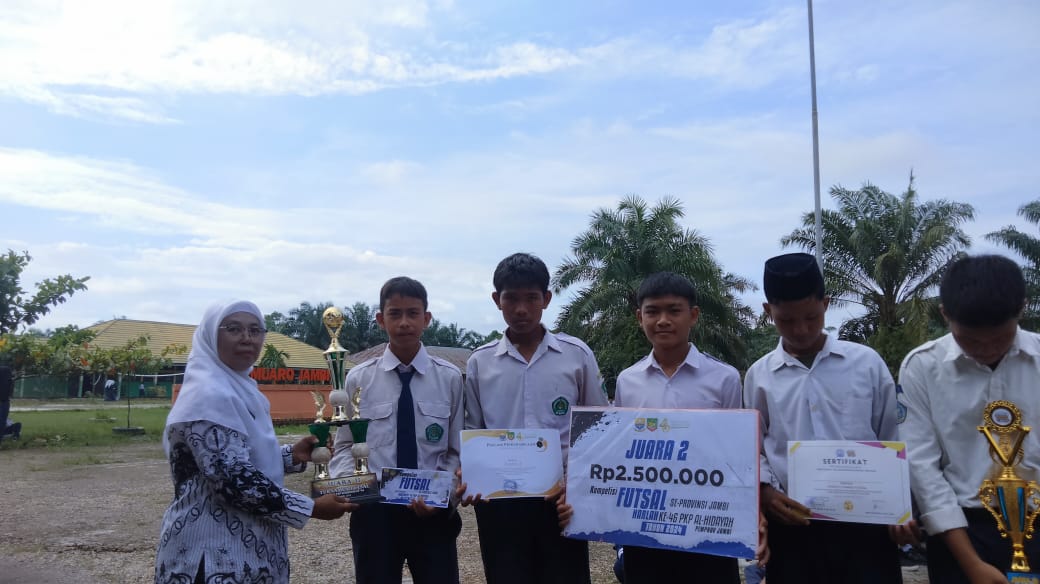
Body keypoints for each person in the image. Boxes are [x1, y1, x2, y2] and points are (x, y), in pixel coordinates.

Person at [155, 300, 352, 584]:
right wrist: (311, 508)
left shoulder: (239, 388)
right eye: (234, 329)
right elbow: (233, 480)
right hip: (212, 555)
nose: (247, 338)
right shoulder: (208, 395)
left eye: (255, 330)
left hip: (249, 548)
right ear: (212, 335)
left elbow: (233, 456)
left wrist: (290, 456)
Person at [743, 252, 904, 584]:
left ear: (826, 303)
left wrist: (900, 503)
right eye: (786, 320)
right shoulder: (760, 376)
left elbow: (894, 434)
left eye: (811, 317)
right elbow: (752, 447)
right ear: (767, 311)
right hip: (792, 526)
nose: (801, 329)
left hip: (867, 524)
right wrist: (766, 493)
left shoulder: (866, 364)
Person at [459, 252, 609, 584]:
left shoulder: (576, 355)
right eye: (511, 298)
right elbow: (474, 430)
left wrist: (578, 487)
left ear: (547, 299)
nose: (521, 308)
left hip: (560, 500)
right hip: (500, 503)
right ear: (497, 300)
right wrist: (471, 475)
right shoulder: (480, 362)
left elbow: (597, 427)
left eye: (532, 298)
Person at [899, 254, 1040, 583]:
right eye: (971, 340)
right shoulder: (922, 368)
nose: (987, 349)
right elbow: (923, 470)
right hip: (961, 533)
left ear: (1021, 309)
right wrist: (971, 564)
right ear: (945, 313)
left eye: (1000, 338)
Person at [330, 277, 465, 584]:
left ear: (427, 319)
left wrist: (443, 496)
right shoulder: (358, 380)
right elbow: (343, 445)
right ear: (381, 319)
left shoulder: (450, 379)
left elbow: (457, 448)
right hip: (375, 513)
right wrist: (348, 488)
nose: (404, 322)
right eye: (395, 313)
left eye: (413, 313)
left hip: (432, 513)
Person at [612, 272, 744, 583]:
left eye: (674, 310)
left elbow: (736, 455)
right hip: (645, 523)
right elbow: (620, 451)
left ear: (693, 315)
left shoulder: (724, 378)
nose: (662, 320)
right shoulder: (627, 381)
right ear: (638, 317)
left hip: (707, 523)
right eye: (652, 311)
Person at [0, 365, 21, 442]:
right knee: (2, 420)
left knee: (2, 421)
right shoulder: (7, 373)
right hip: (4, 401)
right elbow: (10, 390)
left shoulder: (5, 372)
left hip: (4, 401)